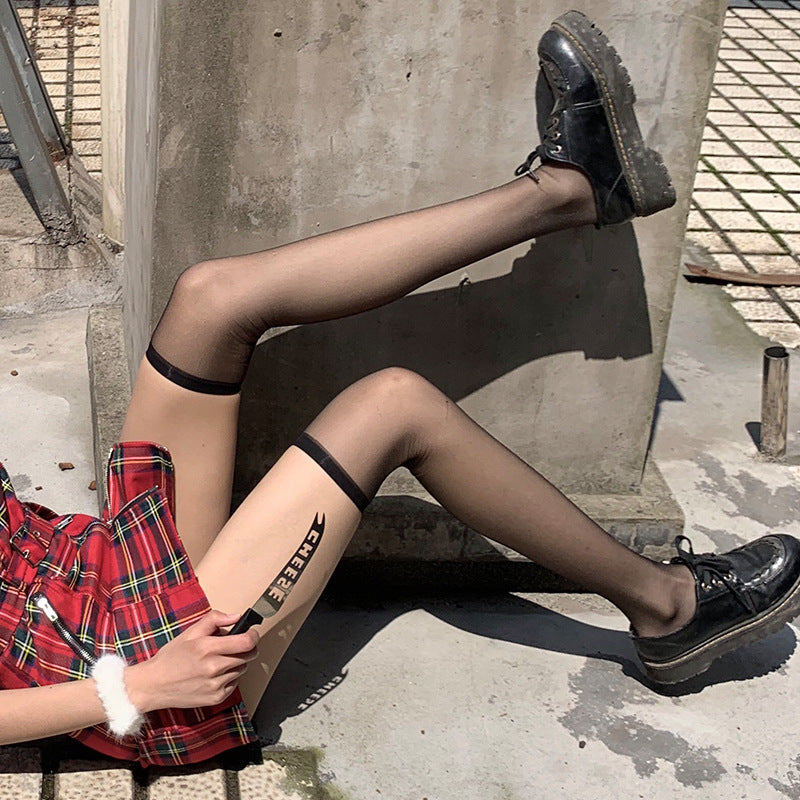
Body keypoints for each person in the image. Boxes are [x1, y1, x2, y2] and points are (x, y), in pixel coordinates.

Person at [1, 10, 799, 768]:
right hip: (138, 676)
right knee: (393, 406)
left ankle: (577, 191)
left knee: (211, 300)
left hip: (87, 574)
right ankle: (670, 607)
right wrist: (142, 687)